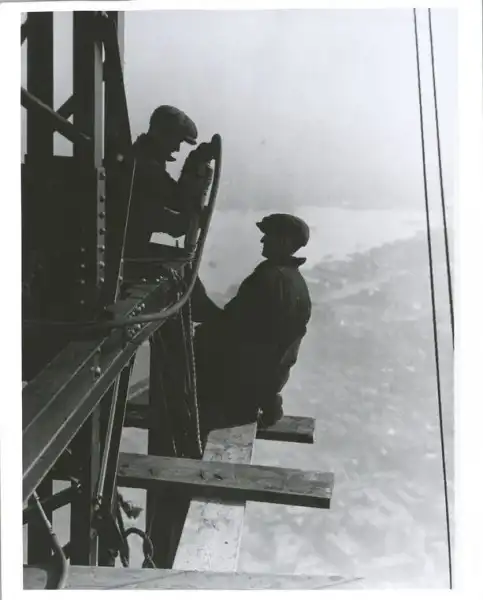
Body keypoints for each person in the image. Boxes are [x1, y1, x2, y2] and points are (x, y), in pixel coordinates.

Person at [194, 213, 312, 437]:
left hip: (242, 388)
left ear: (284, 241)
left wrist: (195, 295)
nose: (262, 240)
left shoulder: (268, 280)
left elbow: (227, 328)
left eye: (268, 235)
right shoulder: (294, 281)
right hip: (264, 385)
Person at [124, 104, 215, 259]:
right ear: (164, 135)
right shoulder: (146, 166)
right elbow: (176, 201)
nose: (177, 149)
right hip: (125, 255)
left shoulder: (140, 158)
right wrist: (194, 164)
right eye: (177, 141)